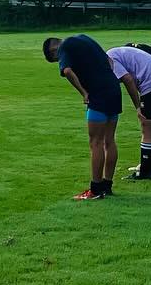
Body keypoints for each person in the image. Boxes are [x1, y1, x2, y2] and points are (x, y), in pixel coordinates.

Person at [43, 34, 121, 200]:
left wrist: (84, 93)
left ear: (53, 50)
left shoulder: (64, 47)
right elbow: (110, 62)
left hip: (98, 94)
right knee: (109, 140)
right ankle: (107, 185)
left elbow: (68, 71)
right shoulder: (85, 39)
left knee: (95, 142)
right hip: (114, 89)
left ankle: (95, 189)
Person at [107, 45, 151, 180]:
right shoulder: (117, 52)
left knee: (148, 127)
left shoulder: (109, 57)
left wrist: (138, 106)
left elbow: (127, 79)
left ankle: (145, 171)